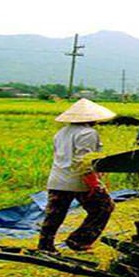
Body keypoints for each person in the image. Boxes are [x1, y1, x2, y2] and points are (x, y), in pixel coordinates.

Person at [38, 98, 116, 252]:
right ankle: (79, 240)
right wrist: (94, 183)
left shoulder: (61, 132)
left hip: (58, 178)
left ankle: (45, 246)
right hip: (79, 180)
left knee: (55, 214)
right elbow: (84, 161)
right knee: (104, 207)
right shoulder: (88, 133)